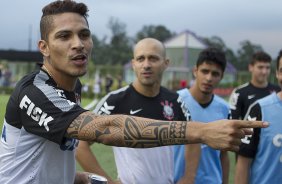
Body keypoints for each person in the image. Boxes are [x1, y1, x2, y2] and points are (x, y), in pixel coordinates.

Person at [0, 1, 268, 184]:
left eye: (84, 34)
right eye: (64, 36)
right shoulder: (34, 92)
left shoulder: (72, 88)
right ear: (44, 47)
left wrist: (75, 177)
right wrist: (202, 131)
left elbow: (41, 158)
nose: (78, 44)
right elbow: (105, 127)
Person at [77, 38, 190, 184]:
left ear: (166, 63)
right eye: (141, 59)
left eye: (153, 58)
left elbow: (193, 140)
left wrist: (189, 177)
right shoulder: (114, 101)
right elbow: (80, 144)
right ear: (133, 64)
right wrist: (107, 182)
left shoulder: (176, 101)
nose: (146, 65)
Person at [174, 48, 230, 184]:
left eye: (215, 74)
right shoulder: (175, 101)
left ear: (221, 76)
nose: (209, 78)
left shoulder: (224, 108)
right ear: (195, 71)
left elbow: (223, 154)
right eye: (205, 71)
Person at [235, 50, 282, 184]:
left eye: (266, 67)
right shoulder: (259, 109)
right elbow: (243, 162)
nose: (263, 71)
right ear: (278, 74)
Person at [229, 51, 280, 120]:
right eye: (260, 67)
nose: (264, 72)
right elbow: (232, 121)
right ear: (251, 67)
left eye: (267, 68)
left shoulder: (278, 90)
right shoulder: (239, 92)